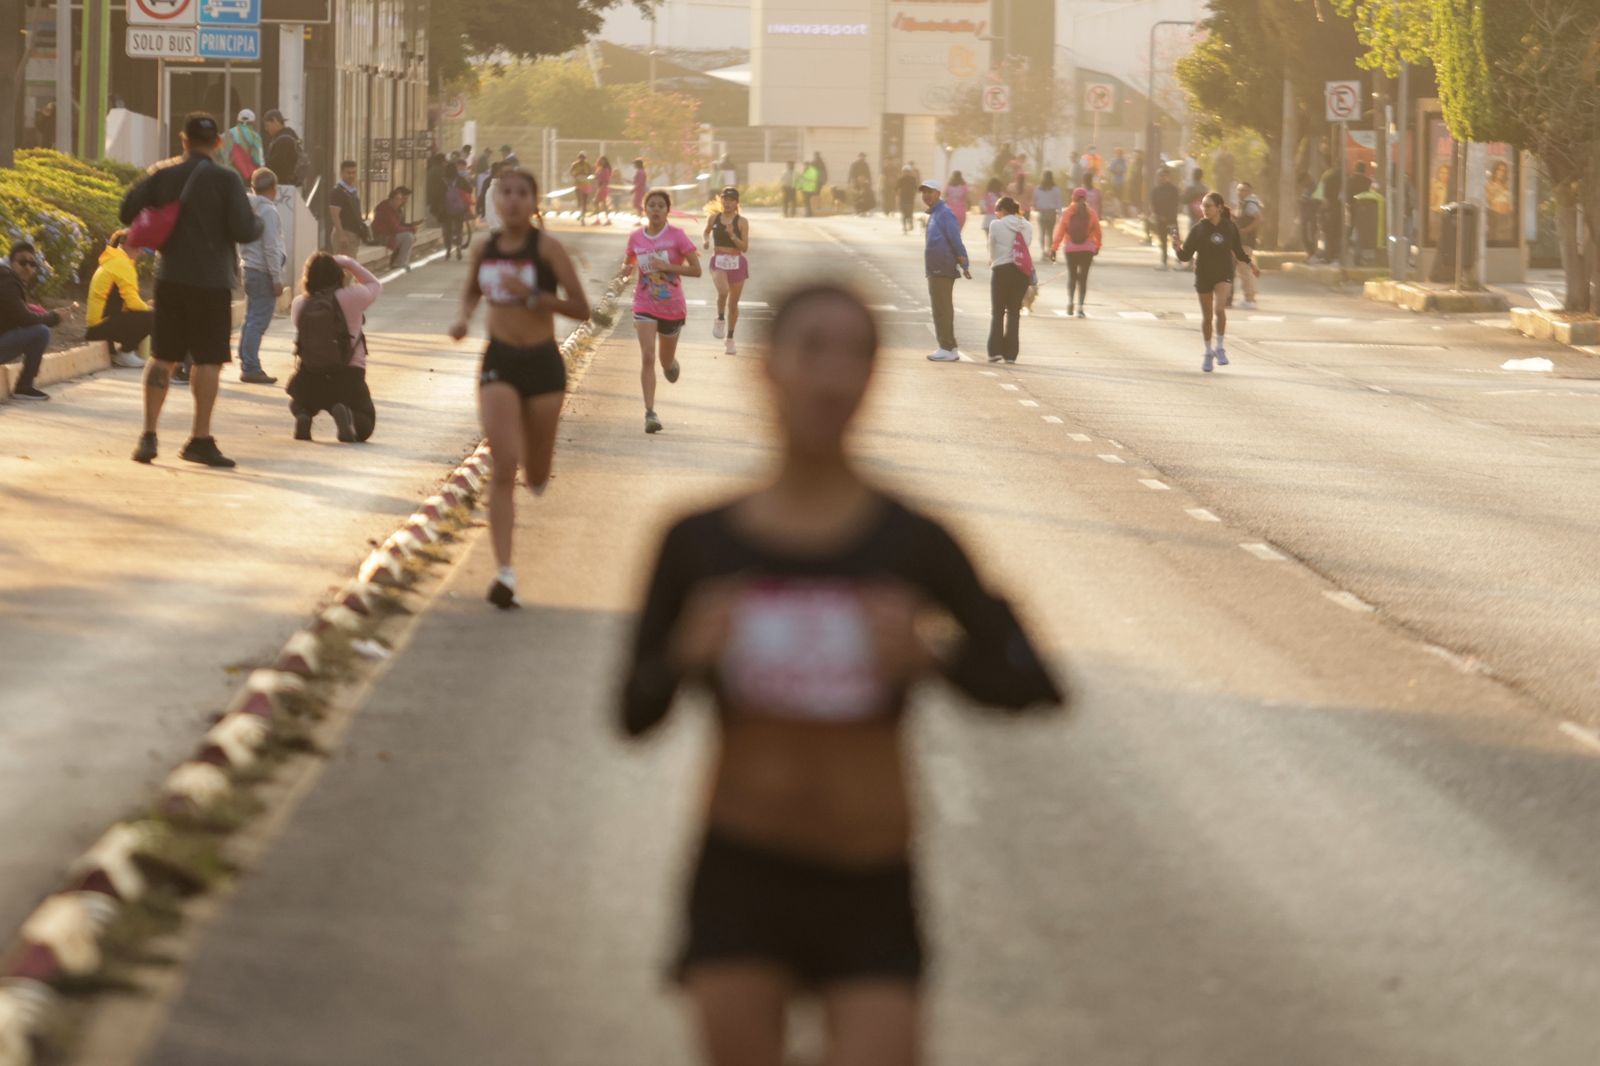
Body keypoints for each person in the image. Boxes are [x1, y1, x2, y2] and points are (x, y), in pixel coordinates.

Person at [620, 283, 1064, 1066]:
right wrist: (686, 655)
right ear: (768, 368)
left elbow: (1032, 683)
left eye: (855, 354)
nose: (832, 377)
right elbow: (631, 711)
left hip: (869, 881)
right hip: (741, 875)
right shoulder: (699, 545)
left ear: (873, 378)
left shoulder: (914, 544)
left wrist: (934, 657)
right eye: (811, 350)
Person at [448, 168, 590, 608]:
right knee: (503, 465)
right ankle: (504, 574)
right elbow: (472, 292)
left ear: (533, 201)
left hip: (543, 363)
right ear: (495, 200)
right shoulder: (484, 248)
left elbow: (581, 308)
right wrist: (463, 317)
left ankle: (535, 453)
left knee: (537, 475)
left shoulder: (547, 248)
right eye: (504, 193)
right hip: (501, 361)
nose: (511, 201)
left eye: (520, 193)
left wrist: (533, 297)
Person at [120, 111, 263, 466]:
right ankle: (199, 438)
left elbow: (127, 211)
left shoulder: (162, 172)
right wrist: (258, 220)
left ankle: (149, 436)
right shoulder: (227, 180)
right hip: (213, 282)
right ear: (217, 143)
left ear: (183, 141)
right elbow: (245, 230)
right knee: (209, 359)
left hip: (170, 278)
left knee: (163, 356)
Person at [625, 187, 702, 435]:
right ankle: (650, 413)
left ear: (668, 210)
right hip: (644, 303)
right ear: (644, 209)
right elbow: (629, 264)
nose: (656, 209)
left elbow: (696, 270)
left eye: (661, 205)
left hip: (672, 307)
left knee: (663, 360)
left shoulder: (678, 236)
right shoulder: (636, 237)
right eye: (652, 205)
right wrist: (626, 271)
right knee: (647, 357)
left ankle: (670, 364)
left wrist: (667, 265)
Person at [286, 252, 381, 443]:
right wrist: (348, 262)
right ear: (339, 274)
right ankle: (348, 415)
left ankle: (303, 414)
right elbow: (375, 285)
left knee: (297, 401)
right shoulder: (353, 296)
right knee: (366, 421)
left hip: (310, 377)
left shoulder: (299, 304)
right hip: (348, 376)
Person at [1176, 191, 1259, 373]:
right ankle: (1208, 352)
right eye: (1203, 206)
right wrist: (1177, 246)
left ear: (1219, 208)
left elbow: (1238, 251)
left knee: (1219, 309)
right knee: (1207, 318)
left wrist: (1250, 264)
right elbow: (1185, 256)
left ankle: (1220, 346)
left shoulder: (1229, 228)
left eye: (1208, 206)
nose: (1204, 209)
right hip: (1204, 275)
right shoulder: (1198, 229)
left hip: (1223, 274)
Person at [238, 168, 286, 385]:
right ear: (273, 188)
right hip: (263, 271)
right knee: (258, 320)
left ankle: (245, 356)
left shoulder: (247, 208)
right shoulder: (269, 212)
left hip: (248, 268)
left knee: (250, 318)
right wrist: (276, 278)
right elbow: (271, 247)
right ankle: (250, 366)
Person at [86, 231, 154, 370]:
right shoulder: (121, 264)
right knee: (154, 317)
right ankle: (126, 353)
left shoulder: (114, 260)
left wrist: (145, 307)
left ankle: (126, 352)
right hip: (101, 327)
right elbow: (133, 304)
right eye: (139, 247)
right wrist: (150, 309)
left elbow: (125, 301)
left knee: (147, 313)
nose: (141, 252)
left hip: (96, 326)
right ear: (129, 245)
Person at [0, 244, 60, 400]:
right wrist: (54, 317)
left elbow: (16, 315)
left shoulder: (7, 279)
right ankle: (24, 386)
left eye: (32, 264)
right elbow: (24, 319)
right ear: (11, 262)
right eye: (22, 262)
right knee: (41, 332)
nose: (27, 268)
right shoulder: (7, 281)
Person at [921, 179, 971, 363]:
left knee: (942, 309)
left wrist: (964, 263)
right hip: (935, 267)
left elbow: (955, 239)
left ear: (938, 193)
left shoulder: (944, 213)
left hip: (942, 266)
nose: (926, 195)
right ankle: (948, 346)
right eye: (924, 192)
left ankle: (947, 347)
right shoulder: (935, 213)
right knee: (940, 308)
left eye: (930, 191)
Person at [703, 187, 750, 356]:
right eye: (725, 199)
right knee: (723, 292)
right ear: (721, 200)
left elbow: (744, 247)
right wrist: (706, 241)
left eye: (731, 200)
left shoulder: (742, 222)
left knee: (734, 303)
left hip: (737, 262)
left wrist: (732, 235)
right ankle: (720, 318)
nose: (727, 202)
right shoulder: (714, 218)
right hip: (719, 260)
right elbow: (706, 232)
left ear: (737, 203)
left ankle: (730, 339)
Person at [986, 196, 1033, 365]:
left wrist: (992, 260)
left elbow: (991, 246)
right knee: (1014, 313)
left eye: (997, 210)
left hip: (1001, 270)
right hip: (1021, 273)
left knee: (997, 312)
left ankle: (995, 351)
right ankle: (1011, 354)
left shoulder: (996, 225)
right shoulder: (1027, 226)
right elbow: (1026, 247)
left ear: (1004, 210)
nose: (996, 214)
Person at [1052, 187, 1103, 319]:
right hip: (1087, 249)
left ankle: (1070, 303)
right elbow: (1098, 232)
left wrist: (1054, 248)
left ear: (1073, 198)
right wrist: (1097, 246)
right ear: (1085, 198)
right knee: (1083, 278)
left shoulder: (1068, 213)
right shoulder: (1091, 213)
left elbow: (1060, 232)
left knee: (1072, 276)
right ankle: (1080, 307)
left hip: (1071, 249)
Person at [371, 185, 419, 271]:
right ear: (391, 199)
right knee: (408, 237)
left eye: (400, 199)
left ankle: (403, 262)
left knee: (410, 236)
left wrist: (411, 226)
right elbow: (395, 228)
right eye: (397, 199)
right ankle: (399, 263)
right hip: (382, 236)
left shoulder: (397, 209)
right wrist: (411, 229)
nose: (400, 202)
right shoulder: (385, 208)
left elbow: (399, 225)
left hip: (391, 234)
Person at [1234, 182, 1265, 309]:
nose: (1240, 192)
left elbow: (1259, 219)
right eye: (1239, 190)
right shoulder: (1244, 204)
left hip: (1245, 242)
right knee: (1244, 270)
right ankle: (1250, 297)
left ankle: (1249, 299)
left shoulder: (1250, 204)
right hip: (1243, 242)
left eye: (1243, 190)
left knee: (1244, 270)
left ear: (1249, 192)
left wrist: (1245, 230)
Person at [328, 160, 369, 257]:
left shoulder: (352, 191)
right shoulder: (338, 192)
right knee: (345, 268)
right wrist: (341, 235)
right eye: (348, 173)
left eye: (354, 172)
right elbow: (335, 215)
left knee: (350, 267)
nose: (351, 175)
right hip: (345, 233)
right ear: (342, 173)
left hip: (353, 235)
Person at [262, 110, 308, 189]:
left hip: (282, 186)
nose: (266, 129)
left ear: (275, 120)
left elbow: (275, 164)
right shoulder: (290, 135)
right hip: (289, 186)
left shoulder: (283, 139)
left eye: (267, 125)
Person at [441, 160, 475, 260]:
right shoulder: (460, 179)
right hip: (459, 209)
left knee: (447, 229)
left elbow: (437, 194)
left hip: (445, 209)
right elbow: (470, 189)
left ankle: (448, 250)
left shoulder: (442, 180)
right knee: (458, 229)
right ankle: (459, 249)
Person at [1149, 167, 1181, 269]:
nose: (1162, 178)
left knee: (1175, 239)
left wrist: (1168, 216)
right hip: (1160, 219)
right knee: (1163, 241)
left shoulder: (1173, 189)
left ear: (1168, 177)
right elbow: (1153, 204)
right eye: (1160, 176)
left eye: (1164, 176)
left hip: (1171, 219)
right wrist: (1159, 215)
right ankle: (1164, 261)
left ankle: (1179, 260)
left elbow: (1175, 204)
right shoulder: (1155, 190)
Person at [221, 109, 263, 181]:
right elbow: (258, 160)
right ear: (253, 122)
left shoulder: (225, 135)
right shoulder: (255, 137)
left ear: (238, 120)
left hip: (227, 174)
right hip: (247, 176)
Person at [1033, 171, 1062, 262]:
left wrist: (1036, 207)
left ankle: (1043, 252)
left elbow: (1035, 201)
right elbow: (1059, 203)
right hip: (1052, 213)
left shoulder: (1038, 189)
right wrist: (1060, 214)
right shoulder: (1056, 189)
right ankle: (1050, 252)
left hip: (1042, 212)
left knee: (1042, 233)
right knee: (1050, 234)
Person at [569, 152, 593, 225]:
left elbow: (591, 172)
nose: (582, 159)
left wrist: (585, 173)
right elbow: (571, 172)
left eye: (583, 158)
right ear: (578, 158)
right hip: (578, 183)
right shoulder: (575, 164)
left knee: (585, 202)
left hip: (586, 183)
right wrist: (577, 174)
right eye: (580, 158)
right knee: (580, 200)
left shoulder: (587, 165)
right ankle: (580, 210)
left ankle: (583, 216)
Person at [896, 165, 918, 234]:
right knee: (904, 213)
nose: (906, 173)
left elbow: (916, 188)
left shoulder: (913, 179)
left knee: (910, 213)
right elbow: (896, 188)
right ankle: (905, 227)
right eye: (905, 172)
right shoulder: (901, 179)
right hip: (903, 198)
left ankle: (910, 223)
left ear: (910, 172)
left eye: (907, 171)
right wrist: (898, 195)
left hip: (910, 198)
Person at [594, 156, 615, 225]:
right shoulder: (600, 169)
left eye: (603, 161)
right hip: (600, 187)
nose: (602, 162)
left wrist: (601, 187)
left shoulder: (605, 170)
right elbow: (597, 177)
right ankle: (601, 219)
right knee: (601, 203)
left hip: (603, 187)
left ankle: (603, 219)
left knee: (599, 202)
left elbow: (606, 180)